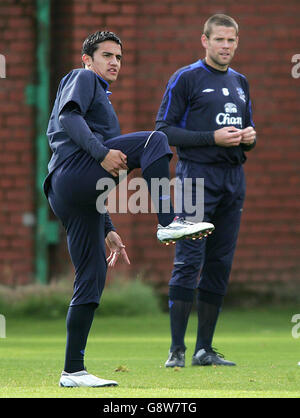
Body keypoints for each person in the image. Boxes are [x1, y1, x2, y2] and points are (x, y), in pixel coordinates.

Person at [43, 31, 214, 387]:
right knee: (156, 140)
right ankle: (168, 221)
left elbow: (96, 168)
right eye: (107, 55)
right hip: (72, 176)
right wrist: (101, 152)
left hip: (72, 194)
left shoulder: (100, 96)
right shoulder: (83, 77)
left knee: (91, 278)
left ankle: (72, 371)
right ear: (87, 59)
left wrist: (107, 227)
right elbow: (69, 119)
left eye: (119, 57)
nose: (114, 62)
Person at [156, 14, 256, 367]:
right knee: (189, 262)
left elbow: (248, 129)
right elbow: (163, 131)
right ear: (205, 41)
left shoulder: (241, 82)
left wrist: (250, 137)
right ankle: (176, 350)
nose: (226, 46)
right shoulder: (186, 78)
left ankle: (204, 350)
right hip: (195, 179)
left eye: (232, 41)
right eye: (220, 40)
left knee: (220, 264)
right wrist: (210, 139)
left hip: (232, 181)